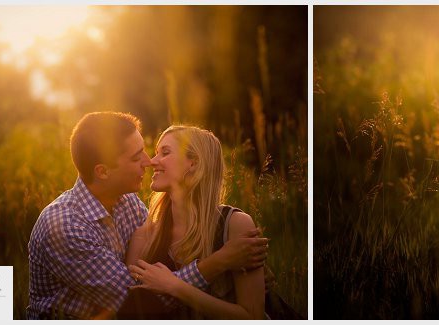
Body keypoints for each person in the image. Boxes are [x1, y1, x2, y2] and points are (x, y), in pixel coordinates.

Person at [27, 112, 269, 319]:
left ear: (194, 164)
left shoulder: (130, 204)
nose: (149, 162)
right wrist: (219, 262)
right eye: (136, 157)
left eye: (156, 152)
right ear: (102, 172)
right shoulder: (64, 225)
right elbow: (136, 304)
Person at [125, 125, 266, 319]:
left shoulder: (235, 226)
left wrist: (175, 286)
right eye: (156, 152)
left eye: (165, 152)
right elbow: (134, 311)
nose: (152, 161)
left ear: (193, 163)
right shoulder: (144, 236)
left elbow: (253, 317)